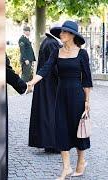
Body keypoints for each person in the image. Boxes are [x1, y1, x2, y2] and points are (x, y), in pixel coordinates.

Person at [28, 20, 92, 179]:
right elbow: (45, 69)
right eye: (61, 32)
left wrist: (87, 102)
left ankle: (81, 162)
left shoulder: (82, 54)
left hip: (77, 96)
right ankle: (66, 168)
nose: (61, 35)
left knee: (79, 130)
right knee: (61, 129)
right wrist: (31, 82)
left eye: (64, 32)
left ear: (72, 35)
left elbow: (87, 80)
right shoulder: (57, 52)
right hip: (61, 95)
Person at [28, 28, 61, 153]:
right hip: (50, 83)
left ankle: (47, 142)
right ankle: (52, 143)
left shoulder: (47, 41)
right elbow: (54, 64)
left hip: (45, 82)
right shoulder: (52, 43)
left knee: (45, 111)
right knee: (50, 112)